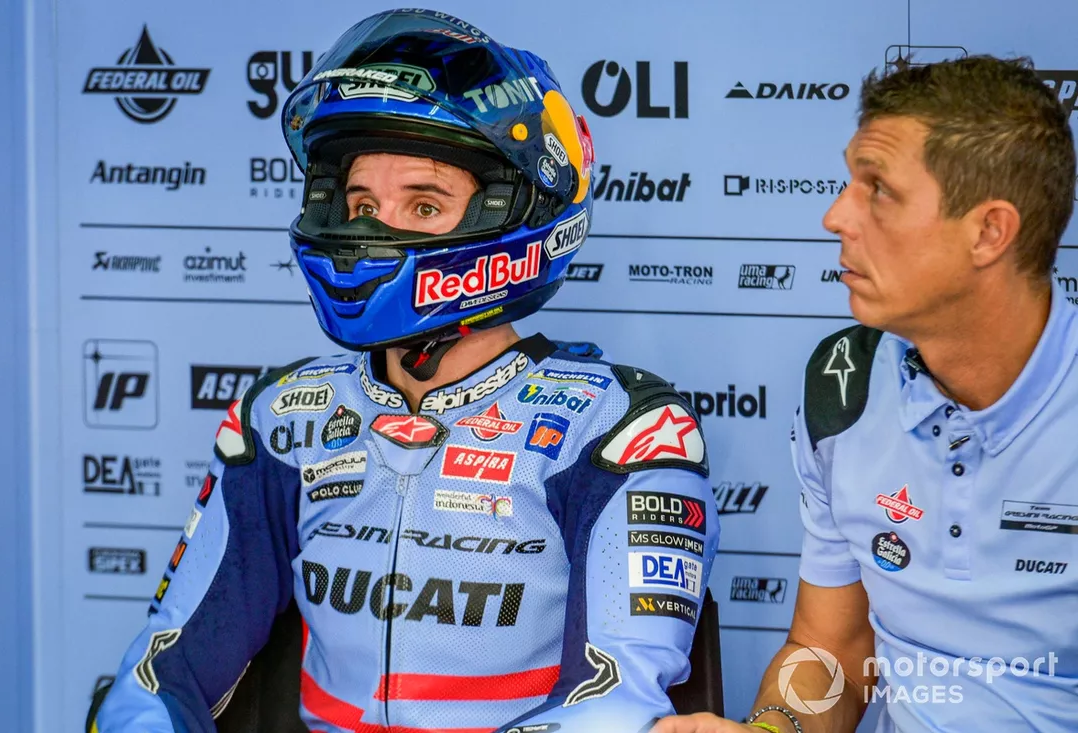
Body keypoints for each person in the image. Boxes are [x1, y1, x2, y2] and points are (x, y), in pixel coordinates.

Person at [93, 9, 719, 733]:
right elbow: (160, 673)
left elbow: (615, 703)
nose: (371, 230)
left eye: (422, 204)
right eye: (361, 203)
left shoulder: (620, 430)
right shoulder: (283, 417)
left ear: (518, 210)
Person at [653, 55, 1078, 733]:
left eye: (878, 189)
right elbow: (835, 652)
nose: (835, 216)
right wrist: (774, 730)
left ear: (989, 232)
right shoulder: (844, 383)